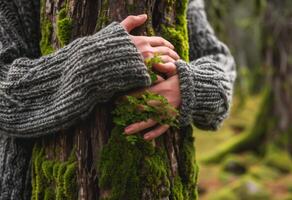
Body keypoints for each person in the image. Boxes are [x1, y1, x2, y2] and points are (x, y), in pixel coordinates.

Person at [0, 0, 236, 198]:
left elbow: (218, 59)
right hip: (38, 185)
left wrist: (193, 87)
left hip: (164, 184)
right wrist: (99, 61)